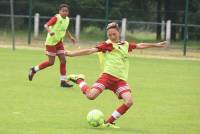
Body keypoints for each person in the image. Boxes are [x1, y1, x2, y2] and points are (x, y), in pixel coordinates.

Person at [66, 22, 166, 128]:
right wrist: (71, 54)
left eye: (114, 34)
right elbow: (90, 51)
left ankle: (108, 122)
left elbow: (140, 45)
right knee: (91, 96)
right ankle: (79, 80)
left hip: (120, 80)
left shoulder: (125, 45)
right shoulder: (107, 45)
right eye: (109, 35)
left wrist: (156, 45)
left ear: (119, 33)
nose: (112, 37)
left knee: (129, 102)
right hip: (107, 77)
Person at [28, 4, 75, 88]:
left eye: (66, 11)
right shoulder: (56, 18)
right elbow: (46, 25)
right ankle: (34, 69)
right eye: (63, 10)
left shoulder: (67, 19)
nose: (65, 12)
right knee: (51, 62)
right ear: (59, 11)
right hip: (51, 43)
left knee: (63, 60)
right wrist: (50, 31)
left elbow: (65, 29)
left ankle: (63, 81)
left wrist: (71, 37)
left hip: (59, 42)